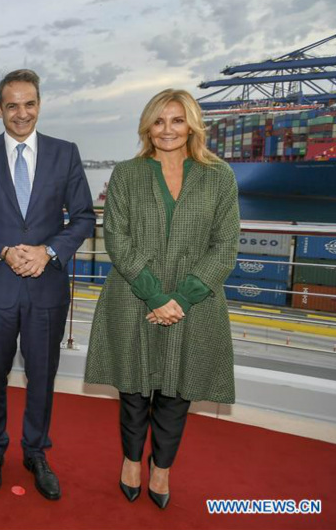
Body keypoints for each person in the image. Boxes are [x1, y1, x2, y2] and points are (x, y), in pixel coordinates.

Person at [84, 89, 240, 509]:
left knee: (176, 391)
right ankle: (132, 461)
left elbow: (225, 245)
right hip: (135, 295)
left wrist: (182, 298)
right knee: (134, 388)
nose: (167, 130)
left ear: (192, 124)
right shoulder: (127, 174)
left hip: (195, 301)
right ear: (147, 127)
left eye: (176, 120)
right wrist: (154, 294)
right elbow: (116, 237)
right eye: (158, 121)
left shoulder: (219, 176)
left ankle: (162, 468)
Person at [0, 69, 95, 500]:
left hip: (46, 288)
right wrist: (1, 250)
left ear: (39, 105)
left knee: (42, 376)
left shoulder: (64, 153)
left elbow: (85, 216)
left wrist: (48, 252)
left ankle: (36, 452)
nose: (21, 113)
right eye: (12, 105)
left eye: (29, 103)